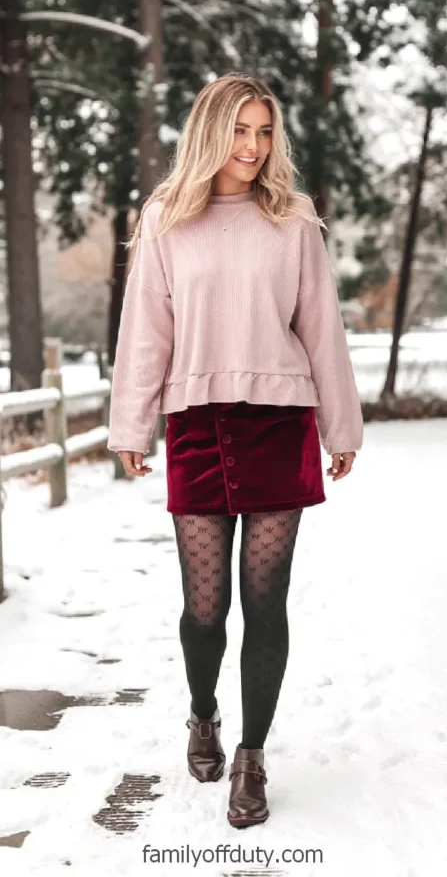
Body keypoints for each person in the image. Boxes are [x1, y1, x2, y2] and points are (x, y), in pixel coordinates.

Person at [107, 73, 363, 828]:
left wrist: (339, 427)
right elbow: (145, 332)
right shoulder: (165, 220)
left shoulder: (293, 218)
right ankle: (201, 714)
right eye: (240, 131)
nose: (252, 147)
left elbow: (321, 328)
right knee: (204, 605)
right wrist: (132, 425)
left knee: (264, 601)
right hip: (195, 421)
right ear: (211, 133)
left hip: (279, 420)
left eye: (263, 132)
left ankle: (250, 756)